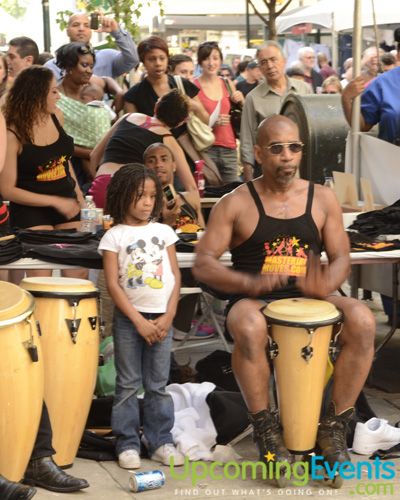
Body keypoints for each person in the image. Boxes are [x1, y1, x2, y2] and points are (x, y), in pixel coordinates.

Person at [193, 115, 375, 472]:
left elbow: (341, 259)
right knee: (247, 325)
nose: (288, 156)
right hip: (255, 301)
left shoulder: (322, 198)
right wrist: (250, 284)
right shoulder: (235, 202)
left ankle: (333, 427)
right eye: (277, 149)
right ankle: (266, 428)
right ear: (259, 153)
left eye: (294, 147)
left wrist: (324, 283)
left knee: (364, 320)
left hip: (310, 298)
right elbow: (203, 263)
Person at [99, 163, 185, 469]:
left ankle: (160, 440)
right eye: (140, 196)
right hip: (129, 321)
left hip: (162, 319)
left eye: (152, 196)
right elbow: (112, 284)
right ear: (123, 196)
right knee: (127, 384)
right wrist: (137, 320)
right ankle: (127, 443)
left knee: (157, 384)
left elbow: (175, 276)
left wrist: (169, 314)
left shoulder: (164, 232)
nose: (148, 202)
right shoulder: (114, 237)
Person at [0, 65, 86, 280]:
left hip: (66, 201)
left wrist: (79, 196)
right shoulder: (13, 133)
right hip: (32, 209)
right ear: (37, 95)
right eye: (53, 91)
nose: (59, 96)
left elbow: (64, 163)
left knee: (78, 270)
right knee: (41, 274)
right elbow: (7, 190)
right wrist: (54, 201)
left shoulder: (57, 116)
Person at [89, 89, 197, 208]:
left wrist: (99, 184)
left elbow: (94, 155)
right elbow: (192, 188)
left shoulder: (127, 117)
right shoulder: (168, 140)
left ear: (156, 106)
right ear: (181, 122)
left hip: (100, 186)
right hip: (131, 190)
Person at [240, 41, 312, 182]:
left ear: (284, 61)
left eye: (273, 60)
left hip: (303, 171)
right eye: (264, 62)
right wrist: (248, 178)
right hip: (271, 173)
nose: (270, 66)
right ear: (259, 67)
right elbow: (247, 140)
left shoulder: (304, 90)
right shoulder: (253, 98)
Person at [55, 42, 121, 186]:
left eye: (91, 66)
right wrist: (91, 153)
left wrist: (119, 92)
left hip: (105, 161)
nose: (89, 71)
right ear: (68, 66)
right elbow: (55, 140)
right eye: (84, 65)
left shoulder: (94, 89)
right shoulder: (55, 97)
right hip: (70, 166)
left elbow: (107, 81)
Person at [194, 41, 244, 183]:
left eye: (215, 58)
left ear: (221, 61)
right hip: (206, 149)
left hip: (229, 148)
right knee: (209, 193)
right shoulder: (194, 86)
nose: (211, 63)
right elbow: (192, 121)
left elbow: (242, 112)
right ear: (200, 62)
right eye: (206, 58)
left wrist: (242, 100)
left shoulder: (227, 83)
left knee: (232, 193)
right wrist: (212, 121)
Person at [45, 11, 138, 81]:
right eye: (76, 25)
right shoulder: (51, 67)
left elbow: (132, 59)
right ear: (67, 30)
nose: (81, 29)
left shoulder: (107, 57)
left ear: (91, 30)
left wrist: (116, 31)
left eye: (86, 25)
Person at [143, 142, 204, 229]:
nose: (158, 165)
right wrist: (167, 222)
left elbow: (203, 234)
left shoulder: (191, 199)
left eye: (164, 159)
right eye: (151, 161)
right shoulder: (143, 205)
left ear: (174, 166)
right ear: (145, 168)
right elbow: (145, 240)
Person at [342, 64, 400, 145]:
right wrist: (346, 98)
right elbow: (362, 126)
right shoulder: (383, 83)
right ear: (398, 54)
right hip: (391, 153)